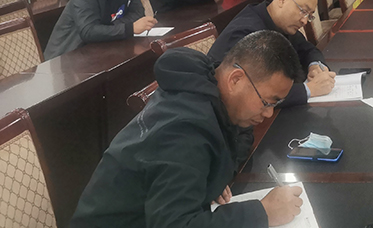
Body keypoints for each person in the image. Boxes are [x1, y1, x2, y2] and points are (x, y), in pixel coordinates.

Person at [70, 30, 305, 227]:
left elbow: (239, 135)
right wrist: (261, 213)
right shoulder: (184, 133)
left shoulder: (208, 87)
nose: (268, 113)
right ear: (235, 80)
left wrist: (214, 174)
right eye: (267, 102)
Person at [208, 0, 336, 107]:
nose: (304, 21)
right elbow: (252, 91)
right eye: (303, 11)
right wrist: (309, 89)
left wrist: (314, 66)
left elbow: (308, 49)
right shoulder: (247, 32)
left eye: (309, 16)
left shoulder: (278, 22)